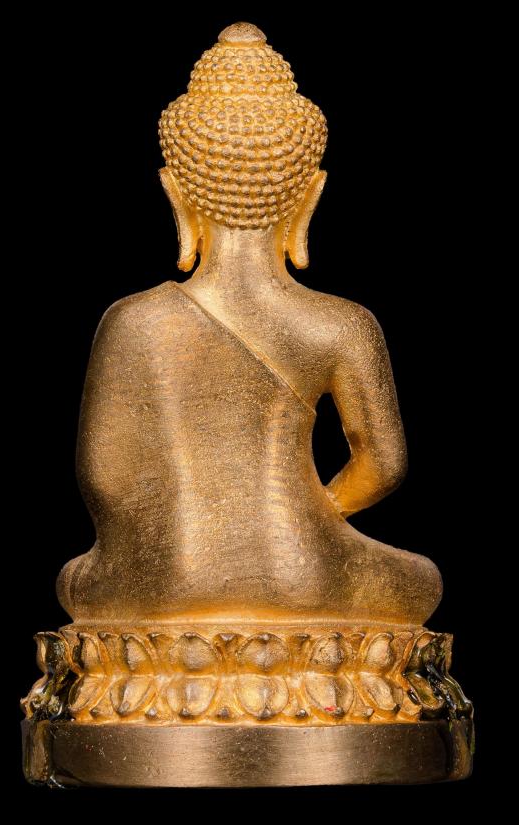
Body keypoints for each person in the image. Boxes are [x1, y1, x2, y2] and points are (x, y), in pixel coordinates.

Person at [57, 23, 441, 627]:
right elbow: (384, 465)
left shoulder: (131, 321)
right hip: (303, 567)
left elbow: (103, 478)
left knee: (74, 582)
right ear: (310, 195)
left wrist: (149, 556)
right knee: (421, 580)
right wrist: (314, 516)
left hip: (157, 576)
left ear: (175, 193)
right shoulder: (342, 324)